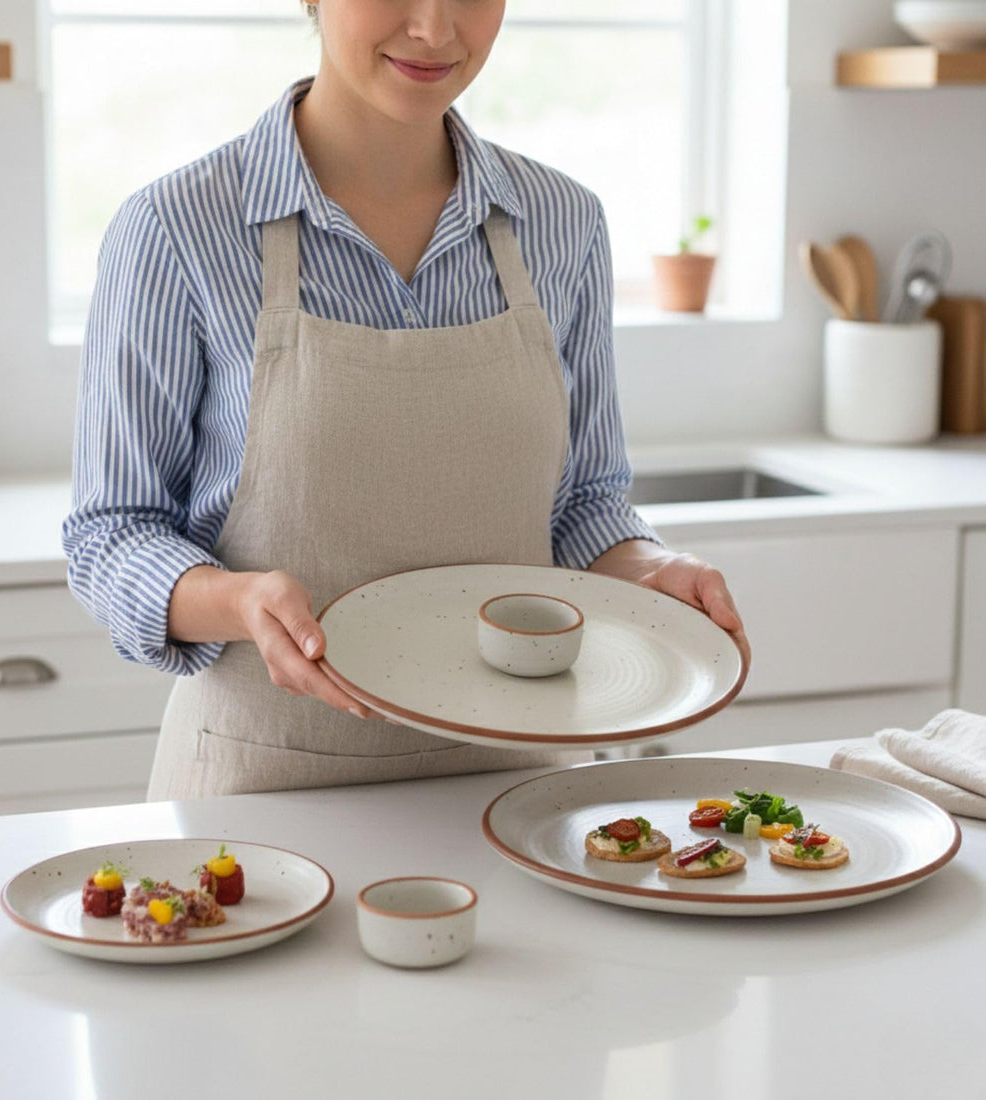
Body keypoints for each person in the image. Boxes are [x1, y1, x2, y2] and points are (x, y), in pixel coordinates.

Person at [63, 0, 749, 800]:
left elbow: (583, 505)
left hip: (522, 793)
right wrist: (238, 601)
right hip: (265, 790)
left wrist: (650, 568)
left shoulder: (563, 224)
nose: (434, 29)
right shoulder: (177, 231)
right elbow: (111, 535)